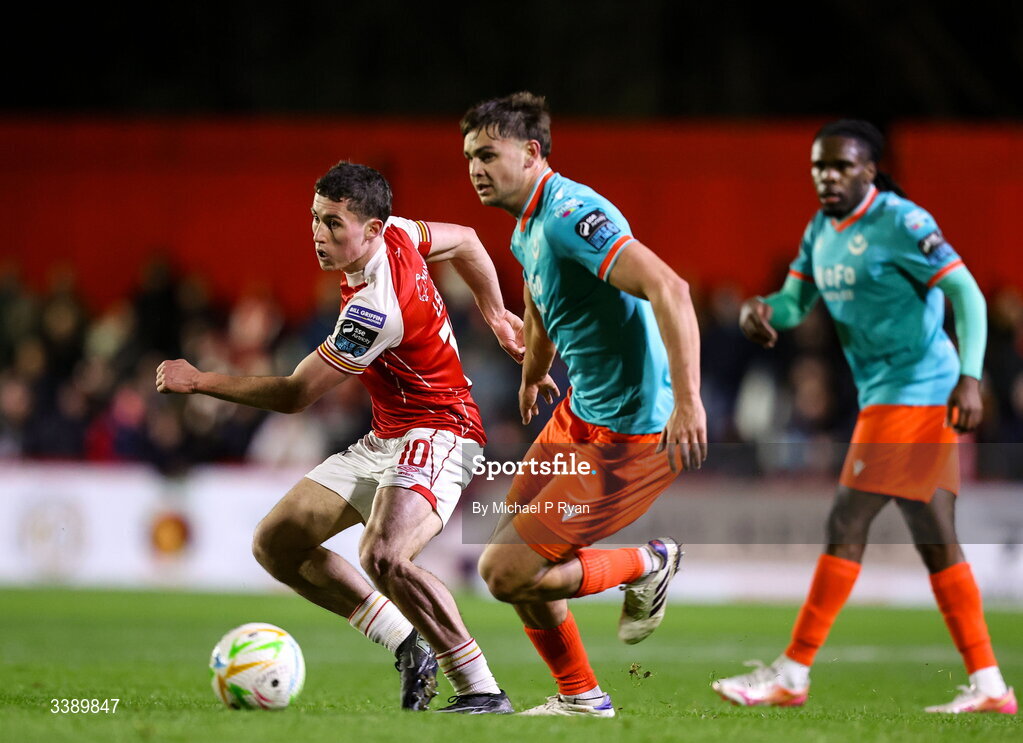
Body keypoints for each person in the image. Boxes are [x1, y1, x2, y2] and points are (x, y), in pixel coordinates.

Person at [156, 161, 520, 714]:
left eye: (332, 224)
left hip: (444, 431)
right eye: (315, 219)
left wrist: (201, 380)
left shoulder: (375, 309)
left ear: (371, 230)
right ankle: (406, 642)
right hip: (387, 436)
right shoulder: (399, 232)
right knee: (276, 543)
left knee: (386, 555)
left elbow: (295, 395)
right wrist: (495, 314)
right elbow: (468, 240)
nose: (318, 236)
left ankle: (481, 689)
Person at [712, 120, 1016, 715]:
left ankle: (792, 674)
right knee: (937, 542)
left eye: (842, 166)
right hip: (884, 394)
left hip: (918, 391)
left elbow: (968, 295)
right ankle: (989, 685)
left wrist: (971, 377)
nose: (828, 176)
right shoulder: (820, 230)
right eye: (820, 167)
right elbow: (795, 304)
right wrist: (761, 308)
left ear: (869, 170)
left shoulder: (902, 221)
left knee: (847, 519)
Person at [460, 92, 708, 717]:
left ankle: (648, 562)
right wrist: (532, 373)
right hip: (579, 415)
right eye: (469, 156)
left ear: (532, 153)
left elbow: (669, 287)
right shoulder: (527, 227)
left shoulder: (573, 214)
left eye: (488, 153)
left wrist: (691, 402)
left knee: (504, 571)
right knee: (508, 555)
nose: (475, 168)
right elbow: (540, 299)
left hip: (634, 436)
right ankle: (582, 698)